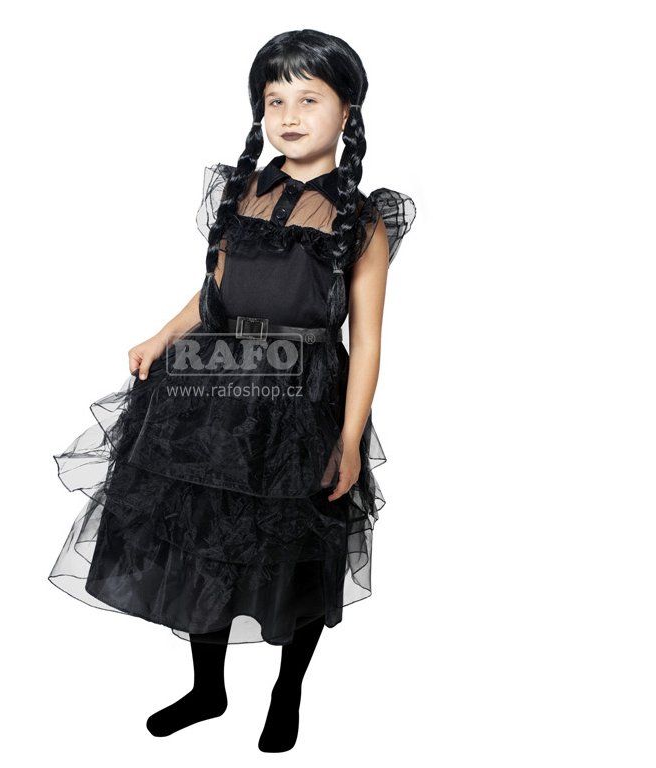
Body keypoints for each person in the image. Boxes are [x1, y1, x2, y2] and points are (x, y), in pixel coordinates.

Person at [49, 28, 416, 752]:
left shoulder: (361, 217)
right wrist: (161, 336)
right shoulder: (240, 191)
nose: (290, 115)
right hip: (210, 387)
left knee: (293, 545)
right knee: (204, 540)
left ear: (347, 110)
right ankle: (207, 689)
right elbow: (213, 292)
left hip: (301, 398)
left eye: (309, 99)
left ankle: (287, 690)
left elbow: (368, 338)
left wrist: (349, 437)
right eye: (274, 100)